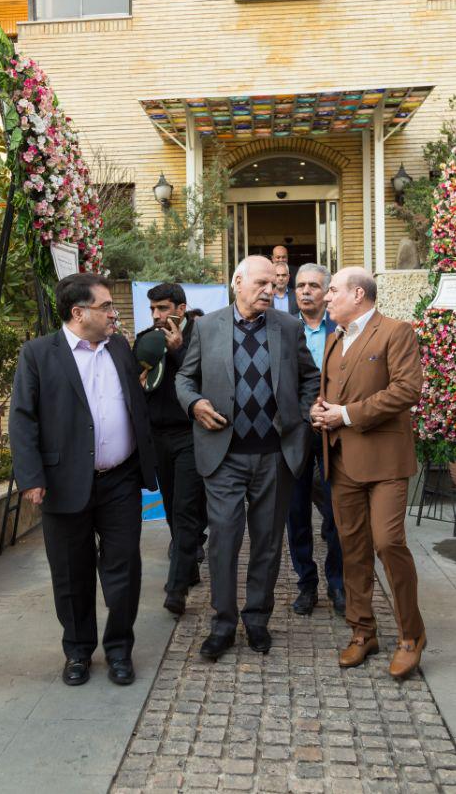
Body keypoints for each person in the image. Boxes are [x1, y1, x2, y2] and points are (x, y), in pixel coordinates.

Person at [10, 273, 157, 687]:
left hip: (120, 479)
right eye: (106, 306)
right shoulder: (39, 354)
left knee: (124, 568)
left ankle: (119, 650)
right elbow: (23, 418)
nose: (114, 313)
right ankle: (77, 651)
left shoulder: (120, 348)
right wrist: (31, 477)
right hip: (63, 482)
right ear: (78, 312)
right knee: (71, 574)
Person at [175, 255, 319, 659]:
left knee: (268, 543)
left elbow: (310, 378)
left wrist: (300, 420)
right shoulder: (207, 326)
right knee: (223, 541)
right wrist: (194, 404)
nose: (269, 291)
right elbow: (184, 377)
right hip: (223, 456)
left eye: (273, 284)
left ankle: (257, 619)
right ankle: (223, 624)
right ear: (237, 282)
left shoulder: (288, 327)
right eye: (261, 284)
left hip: (274, 456)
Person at [313, 267, 426, 680]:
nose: (326, 298)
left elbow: (407, 390)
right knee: (352, 548)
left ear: (358, 294)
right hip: (341, 461)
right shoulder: (334, 338)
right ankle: (363, 632)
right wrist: (320, 411)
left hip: (385, 464)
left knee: (388, 543)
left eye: (333, 291)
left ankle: (411, 636)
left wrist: (345, 414)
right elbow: (330, 393)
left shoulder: (396, 332)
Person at [135, 283, 206, 616]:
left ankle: (176, 589)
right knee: (171, 508)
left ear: (181, 308)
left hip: (190, 435)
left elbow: (206, 379)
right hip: (157, 437)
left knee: (185, 508)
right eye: (152, 309)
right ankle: (188, 568)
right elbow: (138, 383)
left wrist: (178, 351)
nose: (156, 315)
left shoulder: (200, 337)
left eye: (162, 308)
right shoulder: (146, 339)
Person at [286, 264, 346, 616]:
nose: (305, 291)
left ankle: (337, 584)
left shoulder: (342, 328)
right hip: (296, 432)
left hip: (335, 432)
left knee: (337, 513)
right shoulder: (283, 328)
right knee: (295, 514)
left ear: (326, 292)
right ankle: (306, 584)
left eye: (313, 286)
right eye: (300, 286)